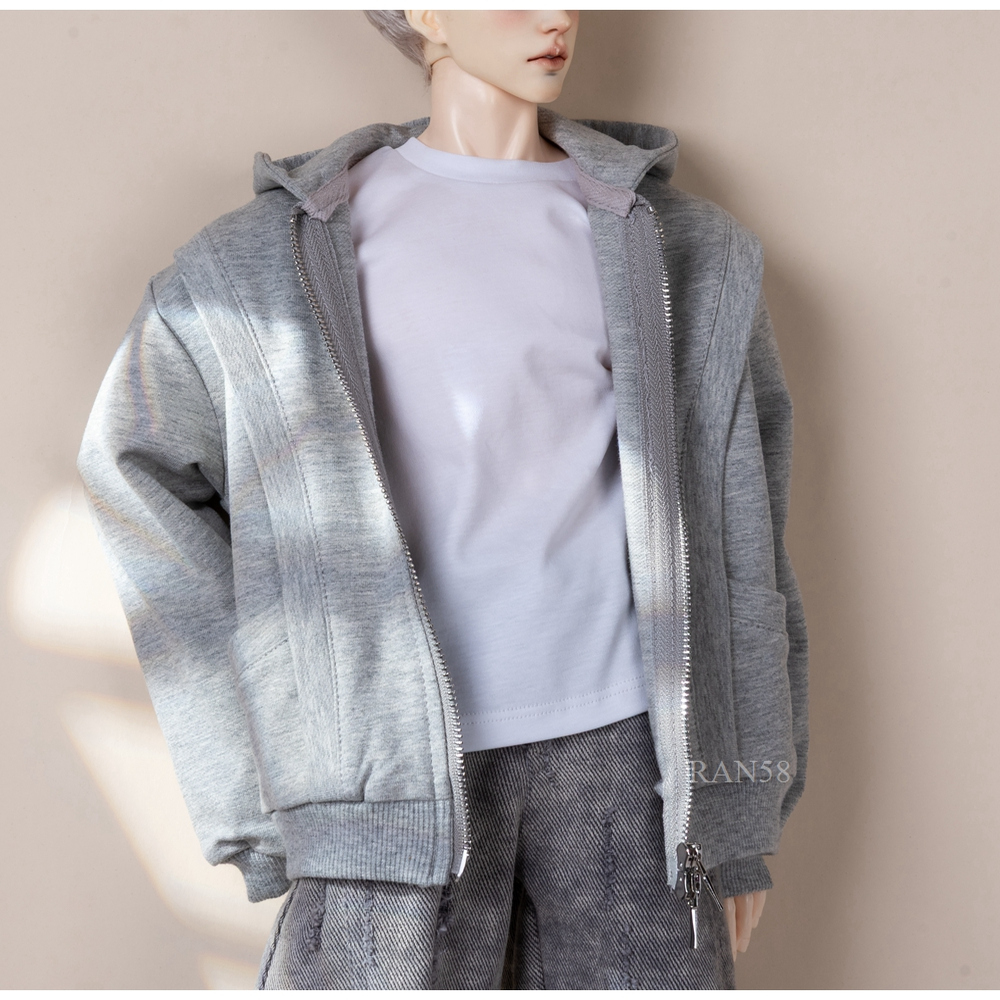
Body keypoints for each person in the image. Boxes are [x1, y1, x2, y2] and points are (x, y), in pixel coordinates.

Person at [78, 9, 808, 990]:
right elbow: (133, 464)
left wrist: (733, 810)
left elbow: (742, 532)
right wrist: (256, 782)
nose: (556, 15)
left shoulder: (687, 251)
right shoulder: (268, 259)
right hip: (387, 781)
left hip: (631, 776)